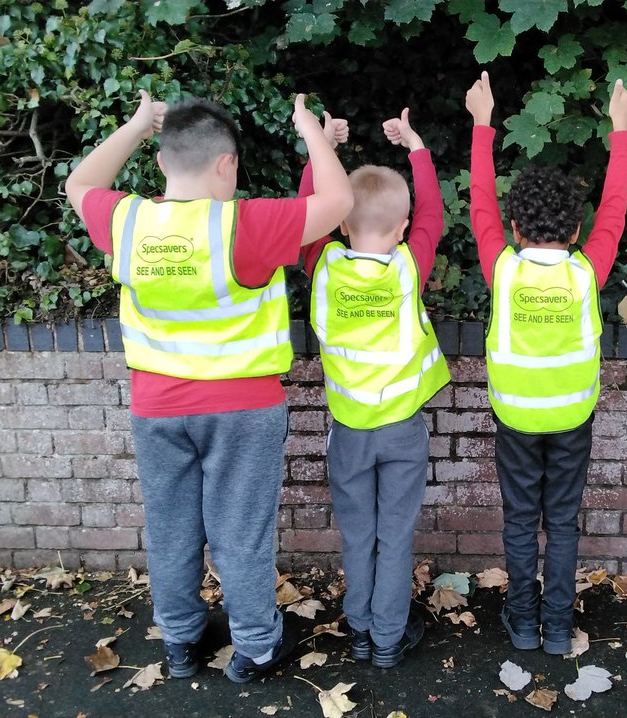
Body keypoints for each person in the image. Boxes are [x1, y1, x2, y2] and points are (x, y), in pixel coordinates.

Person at [64, 91, 354, 682]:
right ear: (227, 164)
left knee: (171, 531)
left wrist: (136, 125)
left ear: (164, 162)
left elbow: (78, 182)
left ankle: (179, 642)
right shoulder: (245, 224)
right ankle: (254, 647)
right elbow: (339, 201)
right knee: (239, 534)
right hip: (242, 410)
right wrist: (309, 130)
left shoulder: (128, 220)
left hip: (156, 409)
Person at [465, 71, 627, 655]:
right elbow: (617, 207)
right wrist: (620, 130)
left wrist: (483, 125)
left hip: (515, 419)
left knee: (519, 522)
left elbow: (479, 201)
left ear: (513, 228)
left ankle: (522, 624)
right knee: (561, 522)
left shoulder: (502, 268)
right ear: (578, 230)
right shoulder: (589, 270)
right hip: (572, 419)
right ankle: (558, 627)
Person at [297, 107, 449, 668]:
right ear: (404, 229)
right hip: (402, 431)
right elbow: (432, 212)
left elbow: (306, 213)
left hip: (350, 432)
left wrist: (323, 147)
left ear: (338, 223)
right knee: (396, 535)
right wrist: (416, 147)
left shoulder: (325, 265)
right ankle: (388, 639)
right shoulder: (410, 265)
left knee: (358, 537)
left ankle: (360, 631)